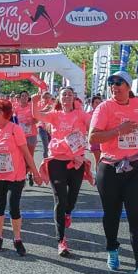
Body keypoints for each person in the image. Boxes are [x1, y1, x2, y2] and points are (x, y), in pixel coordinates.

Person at [88, 71, 138, 274]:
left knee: (137, 218)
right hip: (110, 168)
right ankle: (112, 248)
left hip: (136, 166)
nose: (114, 86)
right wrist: (119, 130)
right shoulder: (104, 108)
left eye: (119, 83)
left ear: (128, 86)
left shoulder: (137, 103)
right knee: (112, 215)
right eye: (111, 83)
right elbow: (93, 137)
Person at [0, 99, 43, 255]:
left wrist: (35, 173)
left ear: (1, 113)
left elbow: (26, 153)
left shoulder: (15, 129)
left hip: (16, 175)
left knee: (14, 207)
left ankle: (17, 238)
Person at [31, 89, 90, 256]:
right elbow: (37, 115)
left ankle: (68, 212)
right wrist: (35, 102)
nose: (66, 97)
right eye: (63, 94)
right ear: (59, 98)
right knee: (60, 199)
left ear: (73, 98)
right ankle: (61, 240)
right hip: (57, 160)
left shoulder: (80, 114)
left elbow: (94, 122)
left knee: (72, 198)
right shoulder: (54, 114)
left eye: (69, 94)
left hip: (76, 160)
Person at [14, 91, 39, 185]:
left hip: (31, 135)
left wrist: (31, 123)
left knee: (30, 156)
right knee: (21, 156)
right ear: (20, 98)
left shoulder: (31, 107)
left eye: (26, 96)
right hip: (20, 136)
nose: (24, 97)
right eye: (22, 96)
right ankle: (22, 176)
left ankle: (30, 174)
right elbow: (14, 121)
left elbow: (37, 119)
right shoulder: (16, 109)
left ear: (28, 97)